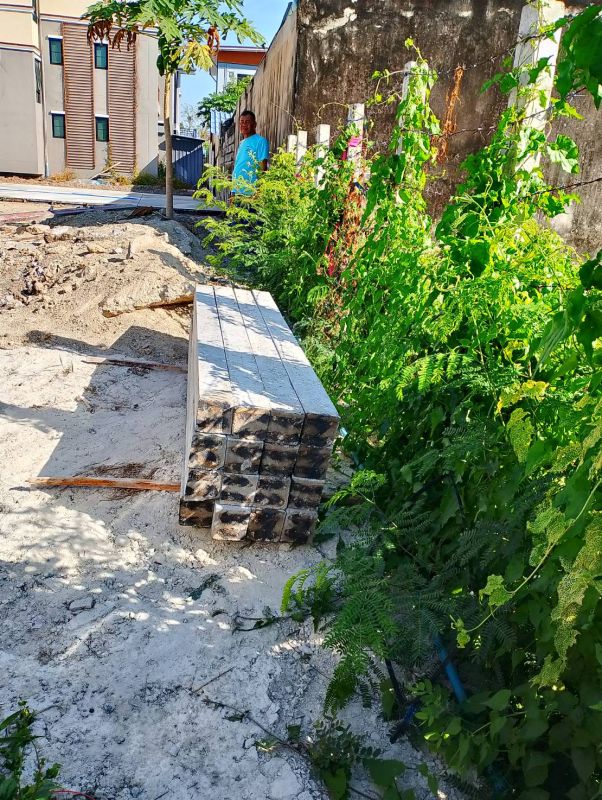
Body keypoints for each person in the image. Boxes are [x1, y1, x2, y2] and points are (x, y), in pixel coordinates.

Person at [231, 110, 269, 197]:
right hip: (237, 190)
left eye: (247, 122)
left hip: (250, 192)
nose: (244, 125)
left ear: (254, 124)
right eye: (242, 122)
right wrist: (233, 190)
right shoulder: (242, 143)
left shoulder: (260, 141)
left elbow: (263, 169)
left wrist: (258, 192)